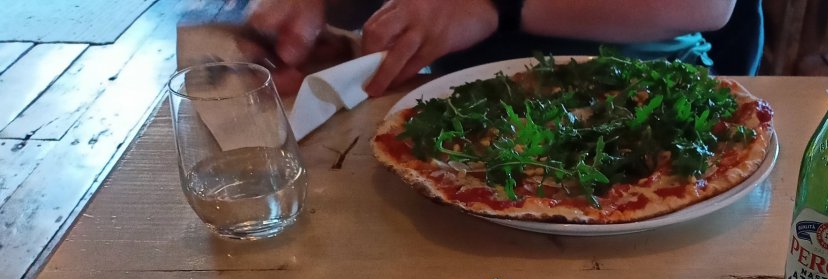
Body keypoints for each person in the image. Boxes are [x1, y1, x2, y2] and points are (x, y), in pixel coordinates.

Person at [247, 0, 750, 96]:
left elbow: (708, 5)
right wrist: (323, 16)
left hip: (644, 93)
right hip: (459, 100)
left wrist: (495, 6)